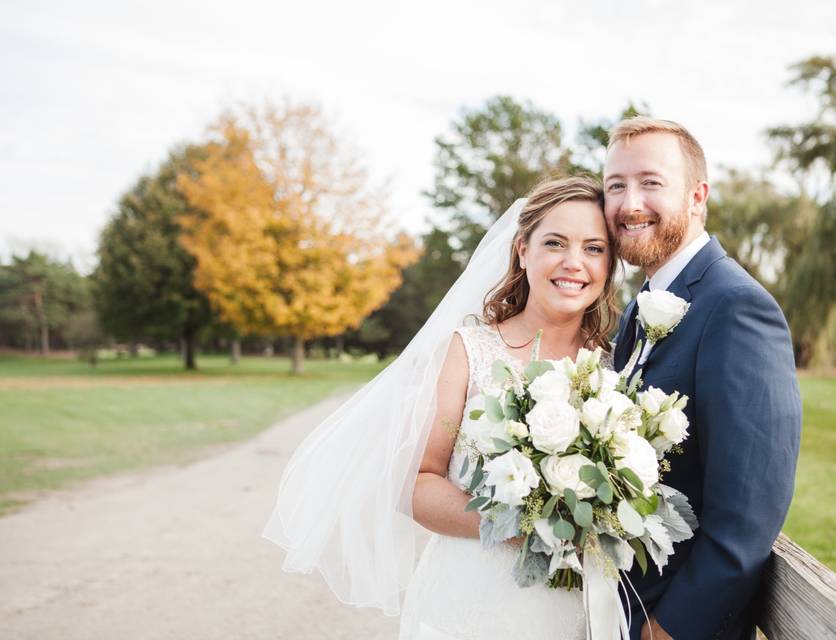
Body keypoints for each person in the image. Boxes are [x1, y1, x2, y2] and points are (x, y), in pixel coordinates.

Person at [263, 176, 620, 640]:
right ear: (522, 250)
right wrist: (515, 524)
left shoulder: (617, 366)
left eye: (594, 248)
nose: (574, 263)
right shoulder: (469, 350)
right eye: (555, 243)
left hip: (582, 612)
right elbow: (417, 481)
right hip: (471, 607)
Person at [604, 116, 802, 640]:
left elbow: (748, 514)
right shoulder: (637, 309)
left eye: (651, 183)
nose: (629, 204)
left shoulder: (736, 306)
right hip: (618, 607)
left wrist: (667, 629)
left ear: (697, 197)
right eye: (615, 186)